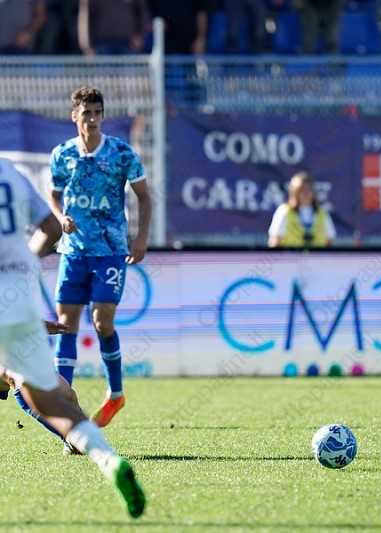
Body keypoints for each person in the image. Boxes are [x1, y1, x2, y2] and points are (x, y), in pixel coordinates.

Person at [0, 156, 146, 518]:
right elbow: (52, 227)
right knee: (55, 398)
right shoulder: (9, 173)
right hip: (17, 295)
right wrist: (23, 262)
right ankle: (109, 460)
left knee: (22, 381)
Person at [28, 86, 151, 430]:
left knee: (102, 322)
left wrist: (141, 236)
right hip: (73, 252)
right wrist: (60, 218)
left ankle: (115, 394)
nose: (93, 119)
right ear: (75, 117)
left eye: (97, 113)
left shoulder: (121, 153)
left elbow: (144, 196)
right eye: (87, 113)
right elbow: (53, 195)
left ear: (103, 116)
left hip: (110, 250)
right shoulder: (62, 154)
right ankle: (63, 403)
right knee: (65, 326)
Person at [268, 171, 336, 248]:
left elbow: (329, 241)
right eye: (302, 190)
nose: (306, 193)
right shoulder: (284, 211)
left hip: (316, 256)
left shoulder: (322, 213)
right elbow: (275, 240)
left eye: (308, 189)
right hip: (291, 255)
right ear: (295, 192)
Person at [77, 0, 150, 56]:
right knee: (103, 71)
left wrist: (140, 36)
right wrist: (88, 46)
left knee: (130, 71)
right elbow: (86, 19)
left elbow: (142, 13)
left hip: (129, 44)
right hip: (102, 44)